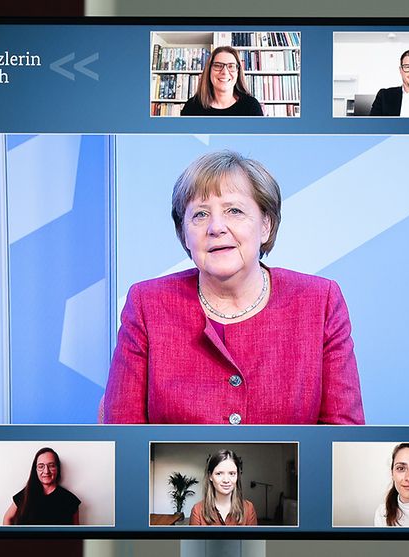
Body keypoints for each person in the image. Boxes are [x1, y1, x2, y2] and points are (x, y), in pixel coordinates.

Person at [103, 150, 364, 424]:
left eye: (234, 211)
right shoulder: (147, 304)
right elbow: (122, 432)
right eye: (200, 214)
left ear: (265, 225)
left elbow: (342, 436)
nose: (216, 227)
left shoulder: (320, 301)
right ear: (184, 234)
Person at [3, 448, 81, 525]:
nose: (46, 471)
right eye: (41, 466)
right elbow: (7, 518)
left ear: (57, 468)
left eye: (51, 466)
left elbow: (76, 530)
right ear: (35, 469)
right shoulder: (26, 494)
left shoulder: (70, 500)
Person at [180, 46, 264, 116]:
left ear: (238, 72)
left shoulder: (251, 106)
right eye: (218, 66)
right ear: (209, 71)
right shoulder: (191, 107)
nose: (225, 72)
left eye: (231, 66)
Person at [189, 450, 258, 526]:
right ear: (210, 476)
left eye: (231, 473)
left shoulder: (248, 508)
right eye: (219, 474)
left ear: (237, 476)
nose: (226, 480)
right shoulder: (198, 510)